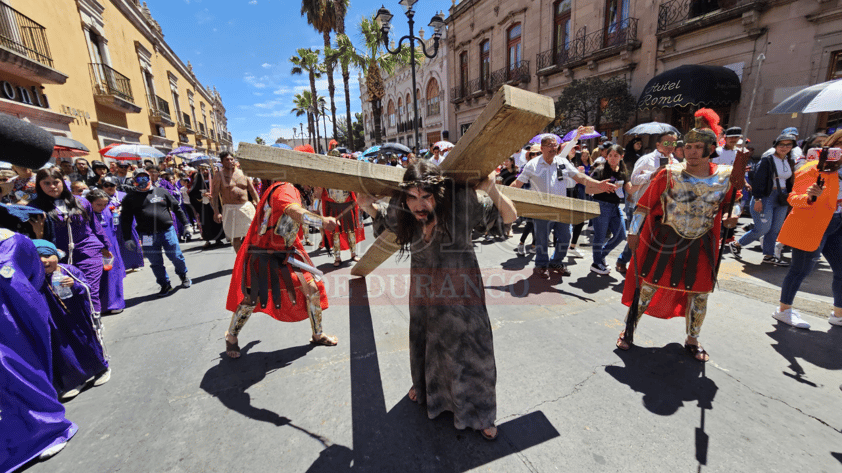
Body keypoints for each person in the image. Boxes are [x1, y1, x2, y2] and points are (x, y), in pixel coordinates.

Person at [358, 160, 517, 441]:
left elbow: (510, 216)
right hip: (423, 292)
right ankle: (426, 389)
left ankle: (481, 414)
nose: (419, 205)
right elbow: (384, 217)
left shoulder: (460, 205)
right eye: (413, 198)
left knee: (472, 352)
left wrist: (491, 188)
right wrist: (368, 206)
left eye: (426, 197)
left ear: (438, 194)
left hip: (462, 295)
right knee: (424, 341)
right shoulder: (404, 211)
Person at [617, 127, 743, 362]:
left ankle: (693, 339)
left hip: (702, 243)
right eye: (688, 147)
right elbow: (643, 206)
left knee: (700, 294)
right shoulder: (668, 173)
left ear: (711, 149)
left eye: (698, 147)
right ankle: (629, 328)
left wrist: (732, 214)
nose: (692, 152)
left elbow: (733, 201)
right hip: (667, 242)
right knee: (648, 287)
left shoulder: (725, 176)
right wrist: (633, 232)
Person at [223, 173, 340, 359]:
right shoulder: (285, 188)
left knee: (312, 288)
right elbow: (293, 211)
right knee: (251, 299)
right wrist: (321, 221)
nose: (312, 185)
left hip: (286, 252)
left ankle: (317, 335)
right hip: (263, 255)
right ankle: (231, 336)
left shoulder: (290, 188)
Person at [0, 228, 78, 469]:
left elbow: (32, 276)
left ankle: (46, 429)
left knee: (14, 370)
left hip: (11, 320)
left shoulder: (11, 241)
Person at [511, 129, 618, 279]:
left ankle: (556, 262)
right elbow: (518, 182)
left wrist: (599, 184)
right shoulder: (533, 165)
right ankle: (541, 265)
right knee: (542, 239)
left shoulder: (562, 162)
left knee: (565, 237)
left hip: (562, 208)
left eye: (555, 145)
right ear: (541, 148)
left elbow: (580, 177)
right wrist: (505, 195)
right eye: (549, 145)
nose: (553, 148)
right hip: (541, 209)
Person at [773, 138, 842, 329]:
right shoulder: (812, 168)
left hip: (836, 224)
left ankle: (839, 314)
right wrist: (810, 197)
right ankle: (783, 310)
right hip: (812, 224)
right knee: (800, 269)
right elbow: (793, 198)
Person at [29, 168, 112, 316]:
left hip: (88, 253)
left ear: (63, 182)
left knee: (88, 290)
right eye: (46, 183)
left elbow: (95, 226)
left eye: (56, 182)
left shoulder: (80, 201)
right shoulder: (35, 208)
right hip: (59, 259)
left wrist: (105, 246)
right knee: (67, 294)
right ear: (39, 185)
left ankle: (95, 326)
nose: (52, 186)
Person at [34, 239, 110, 400]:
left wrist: (74, 285)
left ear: (56, 255)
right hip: (54, 321)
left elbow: (87, 289)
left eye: (47, 255)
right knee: (64, 350)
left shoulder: (68, 270)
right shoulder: (35, 279)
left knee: (85, 342)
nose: (43, 260)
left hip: (76, 317)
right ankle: (76, 379)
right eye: (38, 257)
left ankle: (101, 369)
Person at [120, 169, 191, 296]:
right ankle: (165, 284)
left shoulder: (161, 192)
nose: (143, 181)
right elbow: (125, 220)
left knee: (176, 256)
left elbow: (177, 208)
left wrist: (186, 224)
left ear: (149, 178)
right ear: (134, 181)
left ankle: (183, 275)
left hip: (167, 231)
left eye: (145, 178)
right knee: (155, 261)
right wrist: (127, 238)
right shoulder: (129, 198)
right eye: (139, 178)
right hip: (147, 235)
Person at [616, 131, 680, 274]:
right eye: (667, 143)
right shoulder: (647, 160)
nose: (670, 146)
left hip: (664, 207)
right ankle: (622, 260)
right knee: (636, 235)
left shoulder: (675, 163)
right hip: (643, 206)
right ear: (658, 144)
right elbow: (634, 179)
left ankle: (646, 267)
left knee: (655, 238)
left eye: (673, 143)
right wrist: (652, 174)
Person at [729, 133, 796, 266]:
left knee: (775, 229)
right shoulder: (767, 160)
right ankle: (737, 244)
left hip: (782, 197)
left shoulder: (789, 161)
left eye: (788, 145)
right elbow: (758, 180)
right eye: (781, 144)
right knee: (762, 228)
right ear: (775, 145)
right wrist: (758, 199)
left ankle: (769, 255)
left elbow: (789, 181)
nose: (784, 147)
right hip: (766, 196)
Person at [587, 144, 632, 274]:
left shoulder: (622, 172)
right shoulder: (600, 170)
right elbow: (588, 189)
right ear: (606, 157)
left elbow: (630, 189)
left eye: (616, 156)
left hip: (615, 207)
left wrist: (648, 180)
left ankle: (599, 257)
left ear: (621, 157)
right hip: (600, 205)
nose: (612, 158)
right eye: (610, 155)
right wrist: (603, 187)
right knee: (600, 237)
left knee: (621, 235)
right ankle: (596, 263)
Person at [86, 189, 126, 315]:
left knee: (113, 275)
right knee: (99, 277)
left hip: (111, 247)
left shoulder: (109, 209)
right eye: (98, 204)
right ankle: (101, 306)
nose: (102, 207)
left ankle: (116, 303)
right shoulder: (86, 215)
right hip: (96, 248)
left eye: (104, 204)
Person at [212, 152, 259, 253]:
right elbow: (215, 195)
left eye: (231, 159)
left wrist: (259, 204)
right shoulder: (219, 176)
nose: (230, 161)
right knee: (236, 238)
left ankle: (248, 258)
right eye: (227, 160)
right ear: (222, 162)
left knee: (251, 235)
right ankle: (240, 261)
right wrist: (216, 212)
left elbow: (252, 191)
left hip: (246, 208)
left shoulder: (244, 173)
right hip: (230, 209)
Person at [317, 184, 365, 267]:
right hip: (332, 208)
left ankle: (353, 254)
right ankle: (337, 258)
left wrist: (360, 204)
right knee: (335, 234)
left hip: (348, 206)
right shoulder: (325, 179)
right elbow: (318, 194)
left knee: (351, 231)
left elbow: (355, 190)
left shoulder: (346, 179)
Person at [189, 164, 225, 248]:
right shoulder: (197, 181)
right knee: (206, 222)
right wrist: (202, 194)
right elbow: (192, 194)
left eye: (206, 170)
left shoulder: (214, 179)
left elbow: (220, 189)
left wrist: (215, 194)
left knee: (216, 221)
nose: (205, 171)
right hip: (204, 206)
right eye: (202, 170)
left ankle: (218, 239)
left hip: (214, 203)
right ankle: (207, 240)